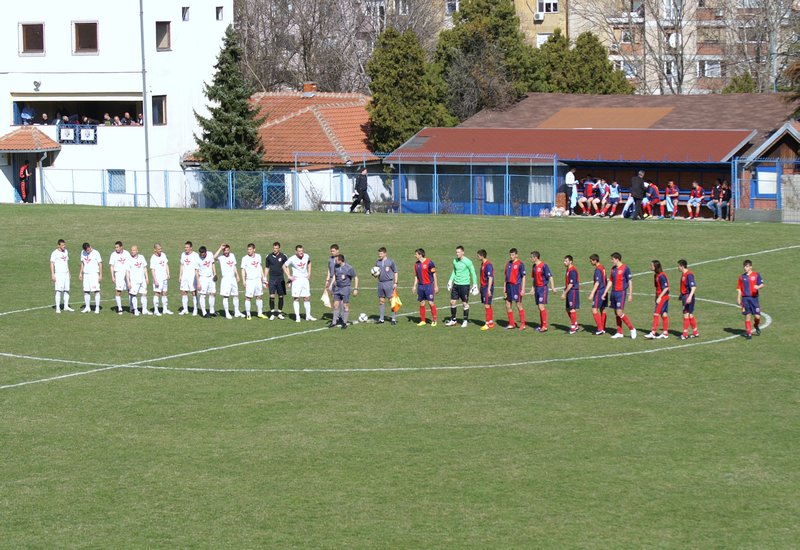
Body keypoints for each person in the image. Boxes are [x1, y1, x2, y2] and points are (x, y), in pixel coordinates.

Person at [602, 252, 637, 339]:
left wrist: (630, 294)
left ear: (617, 259)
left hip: (621, 293)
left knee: (619, 312)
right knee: (615, 312)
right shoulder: (613, 269)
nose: (611, 261)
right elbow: (610, 281)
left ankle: (632, 329)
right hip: (613, 293)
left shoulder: (625, 268)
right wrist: (605, 292)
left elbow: (630, 281)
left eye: (612, 259)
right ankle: (619, 332)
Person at [445, 245, 478, 328]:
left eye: (459, 252)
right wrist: (450, 281)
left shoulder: (468, 261)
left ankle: (465, 320)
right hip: (456, 284)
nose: (457, 254)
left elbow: (473, 272)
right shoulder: (455, 261)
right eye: (456, 252)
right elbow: (454, 271)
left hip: (464, 285)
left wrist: (475, 284)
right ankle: (453, 320)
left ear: (463, 252)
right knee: (452, 302)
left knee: (465, 303)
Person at [284, 245, 316, 322]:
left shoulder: (306, 256)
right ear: (296, 252)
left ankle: (308, 316)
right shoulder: (292, 258)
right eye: (299, 251)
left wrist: (309, 273)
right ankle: (297, 317)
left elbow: (309, 262)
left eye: (302, 251)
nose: (301, 252)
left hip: (305, 279)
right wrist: (289, 276)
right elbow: (284, 266)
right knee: (296, 298)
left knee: (307, 297)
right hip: (296, 280)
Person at [214, 243, 244, 319]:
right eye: (225, 250)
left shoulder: (232, 255)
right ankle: (227, 313)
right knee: (226, 296)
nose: (226, 252)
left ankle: (237, 312)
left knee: (236, 295)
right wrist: (220, 248)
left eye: (227, 250)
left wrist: (237, 275)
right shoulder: (221, 257)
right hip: (226, 279)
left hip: (233, 278)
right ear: (223, 251)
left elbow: (234, 265)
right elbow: (214, 257)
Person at [328, 254, 359, 329]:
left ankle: (344, 323)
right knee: (335, 305)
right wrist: (331, 284)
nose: (335, 261)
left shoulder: (349, 268)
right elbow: (335, 275)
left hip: (345, 288)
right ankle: (334, 322)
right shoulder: (336, 266)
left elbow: (356, 278)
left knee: (345, 306)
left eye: (336, 260)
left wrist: (355, 289)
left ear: (340, 260)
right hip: (337, 288)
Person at [737, 259, 764, 340]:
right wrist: (738, 298)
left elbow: (762, 284)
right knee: (747, 316)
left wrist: (758, 287)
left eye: (747, 266)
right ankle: (749, 333)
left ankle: (756, 325)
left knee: (757, 317)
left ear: (751, 267)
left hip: (754, 299)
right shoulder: (741, 277)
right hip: (745, 299)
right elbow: (739, 289)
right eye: (744, 266)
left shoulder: (756, 275)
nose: (745, 268)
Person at [529, 251, 556, 332]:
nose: (530, 258)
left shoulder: (544, 266)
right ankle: (542, 325)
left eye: (531, 257)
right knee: (539, 307)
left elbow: (550, 276)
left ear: (536, 257)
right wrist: (532, 288)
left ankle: (544, 326)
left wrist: (552, 287)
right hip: (537, 288)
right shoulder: (534, 266)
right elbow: (534, 279)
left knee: (541, 306)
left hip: (543, 288)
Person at [412, 248, 438, 326]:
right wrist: (414, 286)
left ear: (420, 255)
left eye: (416, 254)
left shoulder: (430, 262)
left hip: (429, 286)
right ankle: (423, 320)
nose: (415, 255)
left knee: (431, 302)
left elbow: (434, 274)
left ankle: (434, 320)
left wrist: (436, 286)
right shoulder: (416, 264)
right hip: (420, 286)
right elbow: (416, 276)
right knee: (422, 303)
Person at [240, 243, 266, 320]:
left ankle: (260, 313)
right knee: (248, 297)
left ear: (254, 249)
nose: (249, 251)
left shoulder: (258, 256)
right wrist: (244, 281)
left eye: (250, 249)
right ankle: (248, 314)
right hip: (250, 280)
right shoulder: (245, 258)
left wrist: (263, 277)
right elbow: (243, 270)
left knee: (259, 296)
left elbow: (260, 267)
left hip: (258, 280)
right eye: (248, 249)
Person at [644, 260, 669, 339]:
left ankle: (653, 332)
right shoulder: (656, 275)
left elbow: (666, 288)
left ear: (656, 266)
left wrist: (659, 297)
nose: (650, 267)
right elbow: (657, 288)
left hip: (663, 297)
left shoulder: (661, 276)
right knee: (664, 314)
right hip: (660, 297)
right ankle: (665, 333)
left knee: (656, 314)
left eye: (651, 265)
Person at [503, 248, 526, 330]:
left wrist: (523, 289)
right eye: (510, 255)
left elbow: (523, 277)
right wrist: (504, 287)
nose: (511, 256)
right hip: (508, 286)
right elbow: (506, 276)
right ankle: (511, 323)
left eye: (513, 255)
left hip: (516, 287)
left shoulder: (520, 264)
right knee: (507, 304)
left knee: (518, 304)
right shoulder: (508, 263)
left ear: (516, 255)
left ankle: (523, 324)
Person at [265, 241, 288, 320]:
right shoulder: (269, 256)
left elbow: (286, 267)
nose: (275, 250)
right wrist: (264, 277)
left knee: (281, 296)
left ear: (279, 248)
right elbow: (267, 267)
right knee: (272, 296)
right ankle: (272, 313)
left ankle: (279, 313)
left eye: (276, 248)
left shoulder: (284, 256)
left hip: (281, 279)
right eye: (274, 248)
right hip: (272, 278)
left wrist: (289, 277)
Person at [375, 247, 398, 325]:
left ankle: (393, 319)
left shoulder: (390, 261)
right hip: (380, 283)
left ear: (385, 253)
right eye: (379, 253)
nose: (379, 255)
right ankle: (381, 319)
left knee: (391, 301)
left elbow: (395, 272)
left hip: (389, 283)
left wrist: (396, 282)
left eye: (381, 253)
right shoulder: (377, 262)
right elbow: (376, 272)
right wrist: (374, 274)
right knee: (381, 301)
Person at [108, 241, 133, 315]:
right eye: (115, 247)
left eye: (117, 247)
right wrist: (112, 276)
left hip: (127, 273)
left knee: (130, 290)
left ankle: (132, 307)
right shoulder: (113, 255)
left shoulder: (127, 253)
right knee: (118, 291)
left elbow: (130, 263)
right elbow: (111, 266)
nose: (116, 249)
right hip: (118, 274)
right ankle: (119, 308)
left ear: (121, 247)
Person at [126, 245, 151, 316]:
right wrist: (128, 282)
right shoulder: (129, 259)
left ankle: (144, 310)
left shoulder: (141, 257)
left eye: (134, 250)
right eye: (131, 250)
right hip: (134, 281)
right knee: (134, 295)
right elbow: (127, 272)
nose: (132, 251)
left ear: (137, 251)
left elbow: (145, 268)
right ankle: (135, 310)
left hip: (142, 279)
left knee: (144, 294)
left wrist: (147, 278)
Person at [50, 239, 73, 313]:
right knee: (58, 291)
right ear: (58, 245)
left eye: (64, 245)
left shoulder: (66, 251)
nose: (64, 246)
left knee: (67, 290)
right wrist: (53, 274)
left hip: (66, 274)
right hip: (59, 274)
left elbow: (66, 262)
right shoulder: (54, 253)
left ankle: (66, 306)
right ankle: (57, 308)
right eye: (62, 245)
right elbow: (51, 263)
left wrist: (69, 272)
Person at [149, 243, 173, 316]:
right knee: (157, 293)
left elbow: (166, 264)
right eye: (159, 249)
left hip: (164, 277)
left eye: (161, 249)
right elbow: (152, 270)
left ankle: (165, 309)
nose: (160, 250)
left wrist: (168, 273)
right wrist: (155, 280)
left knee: (164, 293)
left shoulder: (163, 255)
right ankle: (156, 310)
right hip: (158, 279)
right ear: (155, 250)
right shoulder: (153, 258)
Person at [677, 259, 698, 339]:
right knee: (690, 314)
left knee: (686, 315)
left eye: (678, 266)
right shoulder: (684, 274)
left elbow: (693, 287)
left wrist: (689, 297)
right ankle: (695, 332)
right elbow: (685, 286)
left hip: (687, 296)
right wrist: (681, 294)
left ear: (682, 266)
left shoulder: (689, 274)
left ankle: (685, 335)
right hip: (685, 296)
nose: (677, 268)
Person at [79, 242, 102, 314]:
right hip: (86, 274)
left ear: (90, 247)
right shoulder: (83, 252)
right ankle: (87, 307)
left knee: (96, 291)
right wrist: (80, 273)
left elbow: (100, 264)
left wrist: (100, 275)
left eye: (88, 250)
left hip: (94, 274)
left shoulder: (96, 253)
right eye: (86, 250)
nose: (87, 251)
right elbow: (82, 263)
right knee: (86, 291)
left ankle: (97, 307)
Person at [587, 254, 608, 335]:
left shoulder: (598, 270)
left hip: (599, 291)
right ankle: (603, 327)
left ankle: (600, 329)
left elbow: (597, 282)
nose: (590, 262)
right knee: (603, 309)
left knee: (594, 309)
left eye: (591, 260)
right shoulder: (602, 267)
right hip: (604, 290)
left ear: (595, 260)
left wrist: (592, 293)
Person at [178, 241, 200, 316]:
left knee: (193, 292)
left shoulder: (195, 255)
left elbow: (198, 267)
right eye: (185, 247)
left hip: (192, 276)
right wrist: (180, 276)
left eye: (187, 247)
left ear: (191, 248)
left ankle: (195, 309)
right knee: (183, 292)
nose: (185, 249)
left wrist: (198, 277)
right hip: (184, 276)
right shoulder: (183, 255)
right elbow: (181, 265)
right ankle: (185, 309)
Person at [561, 255, 580, 334]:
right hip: (569, 291)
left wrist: (564, 293)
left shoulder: (572, 270)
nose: (564, 262)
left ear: (570, 261)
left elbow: (571, 284)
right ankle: (575, 324)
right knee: (568, 309)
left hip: (573, 291)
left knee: (572, 309)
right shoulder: (568, 269)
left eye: (566, 261)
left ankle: (573, 328)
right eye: (564, 260)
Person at [197, 246, 217, 318]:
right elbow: (196, 271)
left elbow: (213, 264)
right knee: (203, 295)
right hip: (203, 278)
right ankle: (204, 312)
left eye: (203, 253)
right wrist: (198, 282)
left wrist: (215, 274)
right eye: (201, 254)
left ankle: (212, 311)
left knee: (213, 293)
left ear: (206, 252)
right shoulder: (197, 259)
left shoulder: (210, 254)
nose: (202, 255)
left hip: (211, 277)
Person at [477, 249, 495, 330]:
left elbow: (490, 277)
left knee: (487, 305)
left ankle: (487, 324)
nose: (477, 257)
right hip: (483, 287)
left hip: (487, 287)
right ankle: (490, 322)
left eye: (478, 256)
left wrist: (488, 289)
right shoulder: (483, 264)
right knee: (488, 304)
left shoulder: (488, 265)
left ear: (482, 256)